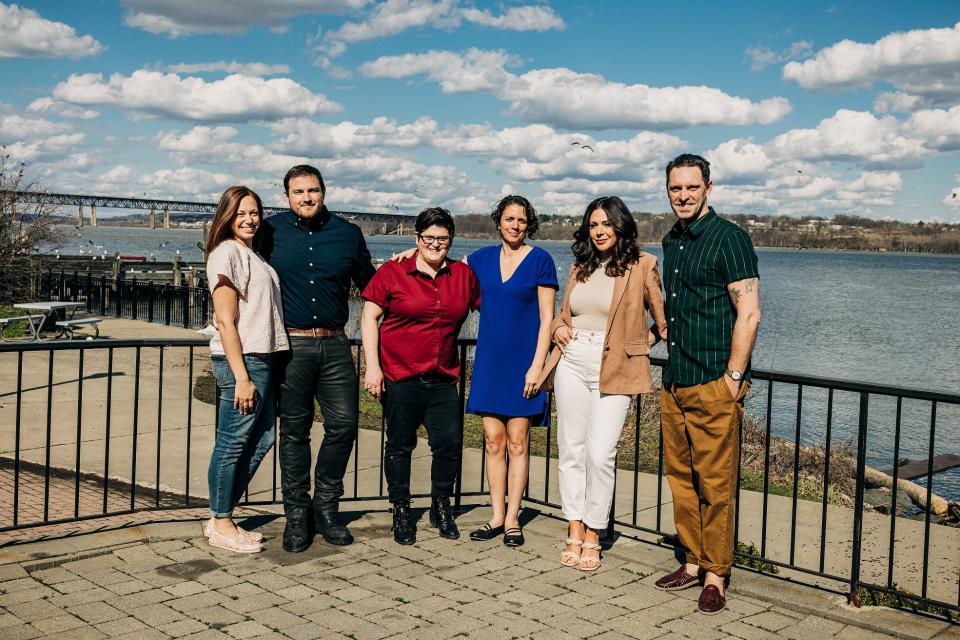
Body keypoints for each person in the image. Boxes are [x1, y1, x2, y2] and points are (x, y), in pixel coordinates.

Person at [653, 154, 761, 615]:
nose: (683, 195)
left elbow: (749, 312)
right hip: (676, 380)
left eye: (691, 187)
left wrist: (733, 379)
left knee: (715, 485)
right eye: (675, 188)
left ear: (708, 188)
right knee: (681, 480)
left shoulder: (730, 239)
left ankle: (716, 573)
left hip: (714, 382)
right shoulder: (671, 240)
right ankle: (693, 561)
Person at [537, 196, 667, 572]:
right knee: (571, 450)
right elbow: (564, 315)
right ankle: (574, 527)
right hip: (572, 362)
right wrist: (560, 329)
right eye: (594, 224)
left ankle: (595, 532)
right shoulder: (581, 265)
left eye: (607, 224)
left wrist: (636, 348)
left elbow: (662, 322)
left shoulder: (643, 265)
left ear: (620, 227)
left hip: (616, 366)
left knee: (601, 454)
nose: (600, 231)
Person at [260, 165, 376, 553]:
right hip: (290, 347)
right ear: (287, 196)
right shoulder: (268, 232)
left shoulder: (347, 234)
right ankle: (297, 515)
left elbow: (372, 286)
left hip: (335, 344)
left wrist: (411, 265)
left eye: (312, 190)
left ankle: (325, 507)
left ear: (324, 192)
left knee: (344, 425)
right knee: (294, 432)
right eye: (298, 192)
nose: (306, 197)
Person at [361, 207, 480, 545]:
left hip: (443, 378)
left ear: (451, 241)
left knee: (449, 445)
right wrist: (373, 367)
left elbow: (494, 305)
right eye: (428, 238)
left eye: (442, 239)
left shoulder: (462, 275)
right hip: (401, 376)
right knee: (400, 445)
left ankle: (441, 506)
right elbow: (369, 318)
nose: (435, 244)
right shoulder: (393, 272)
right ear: (417, 239)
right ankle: (401, 510)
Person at [465, 196, 557, 547]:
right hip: (489, 363)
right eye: (509, 218)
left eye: (521, 219)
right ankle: (495, 516)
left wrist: (538, 365)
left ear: (528, 223)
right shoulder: (479, 259)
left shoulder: (541, 261)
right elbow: (442, 267)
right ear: (498, 221)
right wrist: (406, 256)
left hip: (523, 364)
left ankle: (514, 518)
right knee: (493, 441)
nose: (515, 225)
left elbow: (548, 318)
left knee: (518, 441)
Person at [204, 185, 289, 553]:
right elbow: (225, 322)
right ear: (227, 216)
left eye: (254, 212)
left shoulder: (251, 254)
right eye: (240, 213)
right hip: (243, 361)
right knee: (232, 443)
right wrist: (241, 377)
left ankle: (220, 514)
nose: (249, 219)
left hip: (262, 358)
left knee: (263, 438)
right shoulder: (226, 254)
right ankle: (222, 522)